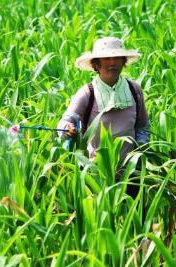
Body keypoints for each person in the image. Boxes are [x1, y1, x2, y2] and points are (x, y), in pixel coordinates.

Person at [57, 37, 150, 197]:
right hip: (96, 172)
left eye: (117, 58)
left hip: (130, 172)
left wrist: (140, 152)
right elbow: (67, 120)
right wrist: (67, 129)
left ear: (123, 62)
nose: (112, 63)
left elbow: (142, 126)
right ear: (96, 64)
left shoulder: (134, 89)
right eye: (106, 58)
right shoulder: (87, 93)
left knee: (135, 217)